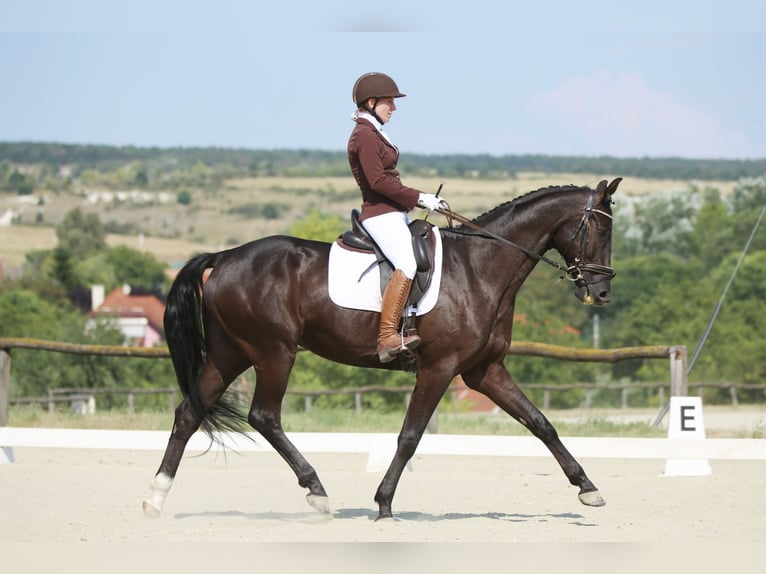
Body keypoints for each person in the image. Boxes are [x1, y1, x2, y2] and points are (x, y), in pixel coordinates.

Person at [347, 72, 446, 363]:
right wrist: (419, 197)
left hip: (393, 213)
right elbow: (378, 182)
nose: (394, 107)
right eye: (389, 101)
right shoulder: (364, 135)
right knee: (407, 261)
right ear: (371, 102)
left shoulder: (374, 131)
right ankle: (388, 335)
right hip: (380, 215)